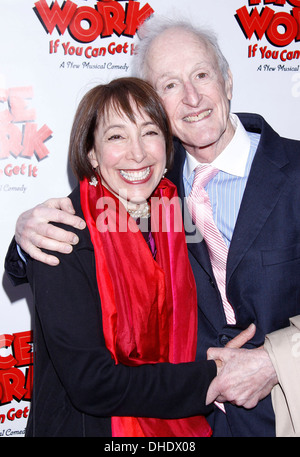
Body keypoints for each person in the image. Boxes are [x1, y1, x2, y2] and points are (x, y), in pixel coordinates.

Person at [6, 17, 300, 436]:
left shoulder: (294, 171)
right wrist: (23, 237)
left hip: (286, 409)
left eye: (201, 74)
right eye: (170, 85)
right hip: (183, 416)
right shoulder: (152, 181)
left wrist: (277, 359)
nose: (192, 96)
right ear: (155, 103)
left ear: (228, 80)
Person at [17, 76, 226, 437]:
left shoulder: (177, 216)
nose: (138, 153)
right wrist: (214, 377)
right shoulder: (61, 234)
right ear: (92, 153)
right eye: (116, 136)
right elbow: (93, 384)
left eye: (149, 132)